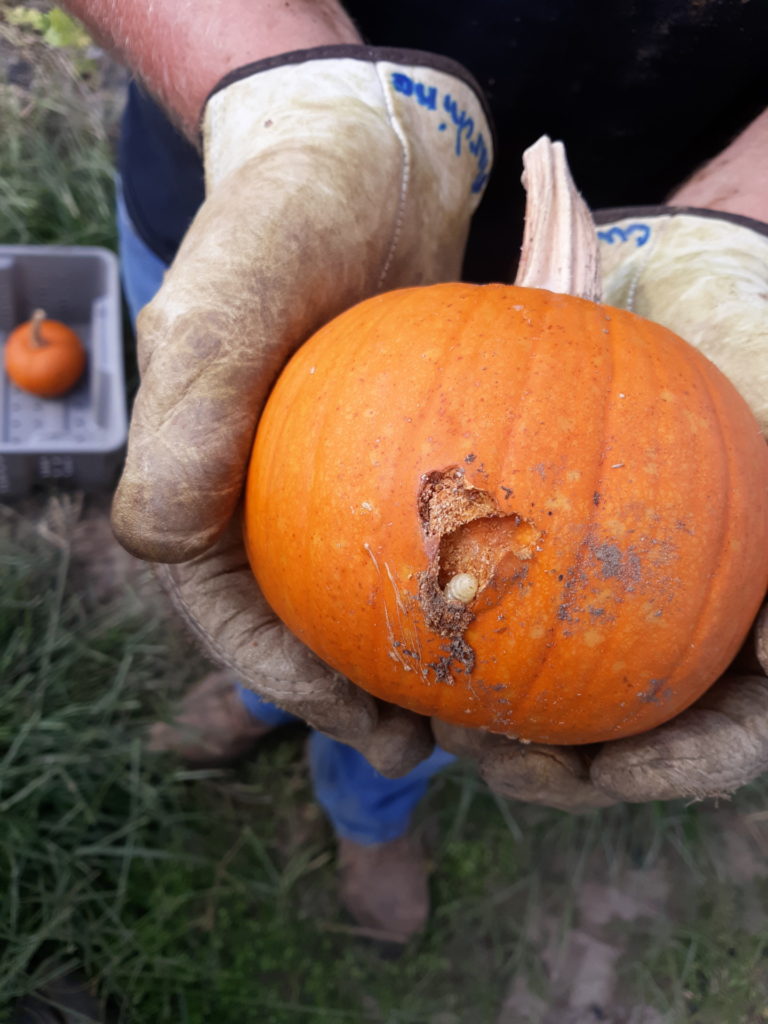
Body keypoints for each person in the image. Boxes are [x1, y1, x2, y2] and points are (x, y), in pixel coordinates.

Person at [64, 0, 768, 945]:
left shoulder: (693, 407)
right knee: (264, 559)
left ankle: (372, 816)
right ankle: (252, 700)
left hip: (669, 257)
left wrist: (736, 236)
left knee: (460, 705)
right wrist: (305, 97)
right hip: (282, 204)